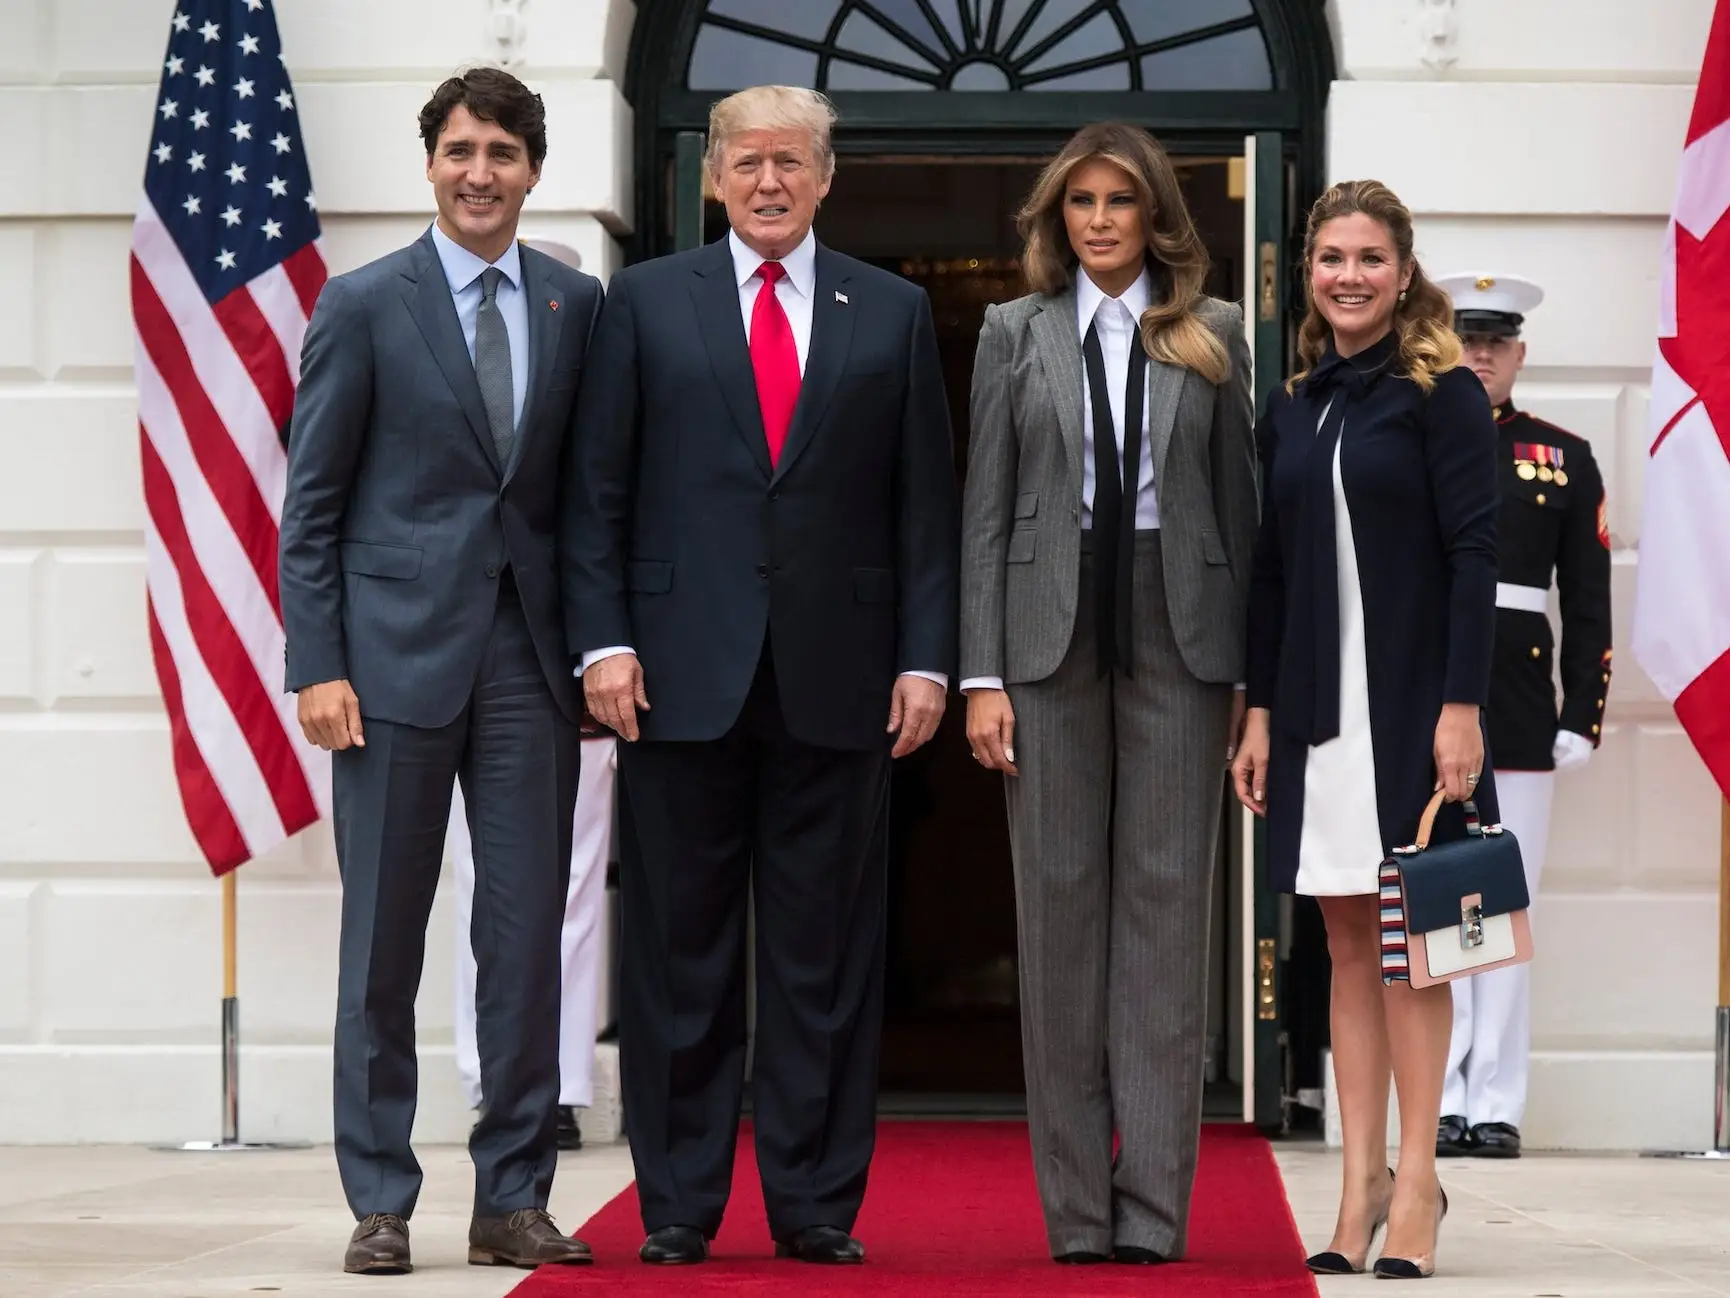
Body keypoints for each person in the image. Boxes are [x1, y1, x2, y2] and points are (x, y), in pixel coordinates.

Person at [566, 85, 958, 1267]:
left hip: (840, 683)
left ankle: (815, 1201)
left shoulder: (888, 311)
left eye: (791, 163)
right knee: (678, 957)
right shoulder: (641, 304)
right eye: (748, 163)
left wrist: (927, 658)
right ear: (714, 179)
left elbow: (923, 507)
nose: (770, 182)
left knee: (822, 962)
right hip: (676, 679)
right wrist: (604, 641)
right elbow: (597, 492)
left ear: (826, 178)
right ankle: (678, 1203)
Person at [279, 67, 601, 1275]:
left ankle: (511, 1193)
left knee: (520, 942)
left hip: (529, 665)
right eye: (461, 150)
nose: (481, 173)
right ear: (429, 164)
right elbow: (308, 509)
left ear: (532, 170)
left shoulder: (577, 306)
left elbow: (584, 498)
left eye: (504, 153)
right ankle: (379, 1197)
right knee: (381, 944)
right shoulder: (364, 304)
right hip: (388, 668)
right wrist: (318, 662)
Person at [958, 122, 1255, 1265]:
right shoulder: (1010, 332)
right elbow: (984, 507)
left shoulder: (1211, 331)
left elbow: (1241, 513)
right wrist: (980, 673)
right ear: (1054, 217)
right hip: (1044, 634)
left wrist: (1246, 680)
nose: (1095, 219)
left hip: (1179, 628)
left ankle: (1153, 1210)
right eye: (1077, 200)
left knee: (1167, 913)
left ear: (1153, 217)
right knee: (1059, 911)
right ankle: (1077, 1213)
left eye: (1116, 201)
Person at [1232, 180, 1500, 1281]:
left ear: (1402, 271)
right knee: (1345, 942)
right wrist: (1254, 711)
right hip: (1310, 712)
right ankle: (1356, 1188)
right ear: (1307, 272)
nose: (1347, 275)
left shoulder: (1442, 394)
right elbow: (1271, 569)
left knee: (1412, 944)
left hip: (1406, 702)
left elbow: (1475, 552)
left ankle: (1419, 1174)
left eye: (1367, 258)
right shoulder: (1293, 401)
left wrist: (1460, 702)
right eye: (1329, 257)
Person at [1431, 272, 1613, 1160]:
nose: (1482, 353)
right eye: (1468, 336)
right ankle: (1443, 1091)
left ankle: (1497, 1098)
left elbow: (1587, 596)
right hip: (1429, 697)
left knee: (1505, 905)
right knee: (1443, 899)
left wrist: (1582, 711)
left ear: (1520, 353)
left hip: (1517, 702)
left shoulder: (1563, 455)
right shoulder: (1420, 434)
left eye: (1497, 341)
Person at [449, 710, 616, 1151]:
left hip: (575, 691)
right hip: (466, 693)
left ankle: (560, 1086)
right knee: (482, 892)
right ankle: (493, 1081)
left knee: (574, 896)